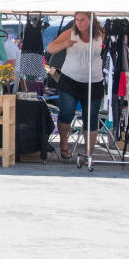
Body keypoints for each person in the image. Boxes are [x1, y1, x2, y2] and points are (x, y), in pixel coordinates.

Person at [45, 12, 105, 161]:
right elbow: (50, 48)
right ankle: (64, 144)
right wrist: (65, 44)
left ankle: (88, 155)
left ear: (91, 20)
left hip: (94, 81)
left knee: (90, 117)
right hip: (70, 80)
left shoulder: (100, 34)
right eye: (77, 20)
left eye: (83, 20)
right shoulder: (70, 33)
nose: (79, 23)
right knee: (67, 112)